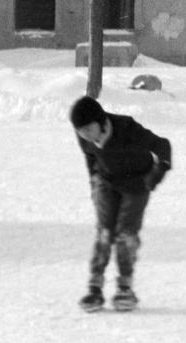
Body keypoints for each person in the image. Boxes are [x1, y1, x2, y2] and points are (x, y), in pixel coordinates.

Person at [69, 95, 172, 313]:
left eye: (89, 128)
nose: (85, 134)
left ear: (101, 121)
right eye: (80, 131)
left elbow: (162, 145)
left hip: (136, 183)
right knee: (105, 233)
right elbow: (91, 157)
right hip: (107, 183)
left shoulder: (126, 128)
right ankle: (95, 288)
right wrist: (94, 182)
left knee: (125, 234)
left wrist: (158, 171)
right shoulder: (84, 137)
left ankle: (125, 287)